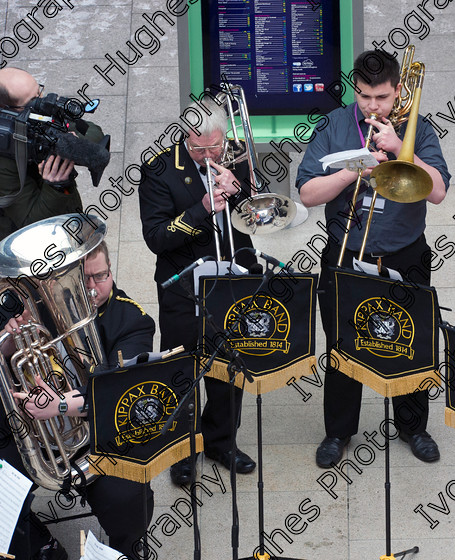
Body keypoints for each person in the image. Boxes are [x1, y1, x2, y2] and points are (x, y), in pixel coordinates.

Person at [296, 49, 450, 468]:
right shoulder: (334, 124)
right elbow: (306, 193)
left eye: (381, 97)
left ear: (398, 91)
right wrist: (354, 171)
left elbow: (437, 191)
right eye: (364, 96)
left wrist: (402, 149)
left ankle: (413, 426)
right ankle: (338, 431)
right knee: (342, 341)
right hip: (345, 251)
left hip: (405, 253)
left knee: (412, 340)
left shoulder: (419, 128)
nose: (372, 106)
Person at [0, 240, 155, 560]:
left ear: (111, 271)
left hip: (97, 435)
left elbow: (120, 394)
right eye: (81, 279)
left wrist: (58, 405)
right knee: (3, 494)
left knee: (128, 500)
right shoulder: (37, 307)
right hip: (33, 431)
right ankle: (33, 542)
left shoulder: (131, 320)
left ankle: (125, 548)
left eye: (101, 276)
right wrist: (8, 347)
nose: (91, 289)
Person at [138, 100, 257, 485]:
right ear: (185, 137)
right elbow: (157, 238)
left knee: (228, 365)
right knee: (183, 368)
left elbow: (254, 216)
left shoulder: (236, 158)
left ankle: (221, 440)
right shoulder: (158, 170)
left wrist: (238, 194)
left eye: (214, 148)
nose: (208, 156)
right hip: (182, 286)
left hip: (230, 276)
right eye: (198, 149)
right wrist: (203, 207)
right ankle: (183, 448)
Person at [0, 67, 106, 240]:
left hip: (70, 224)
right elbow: (32, 226)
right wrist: (55, 187)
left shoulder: (37, 116)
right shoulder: (4, 158)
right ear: (6, 109)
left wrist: (68, 141)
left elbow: (93, 132)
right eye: (33, 100)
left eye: (39, 91)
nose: (42, 101)